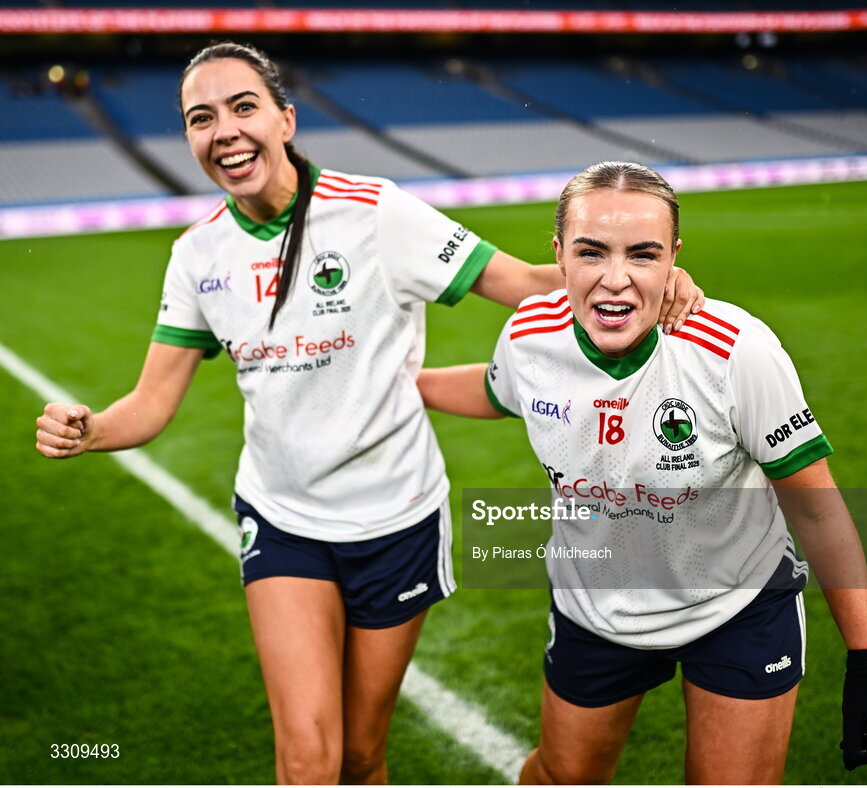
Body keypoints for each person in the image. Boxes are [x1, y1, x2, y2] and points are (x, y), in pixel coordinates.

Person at [33, 46, 704, 785]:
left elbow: (525, 283)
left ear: (284, 119)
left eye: (243, 106)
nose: (223, 129)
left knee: (359, 756)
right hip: (284, 519)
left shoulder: (373, 212)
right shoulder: (197, 256)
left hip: (397, 518)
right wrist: (91, 429)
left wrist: (643, 276)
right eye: (201, 118)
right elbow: (151, 403)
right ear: (190, 141)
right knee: (308, 761)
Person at [417, 161, 867, 784]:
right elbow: (494, 390)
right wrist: (402, 384)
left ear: (673, 257)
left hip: (738, 604)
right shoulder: (530, 337)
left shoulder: (733, 351)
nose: (615, 280)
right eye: (592, 252)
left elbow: (816, 509)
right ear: (559, 255)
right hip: (597, 607)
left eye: (642, 255)